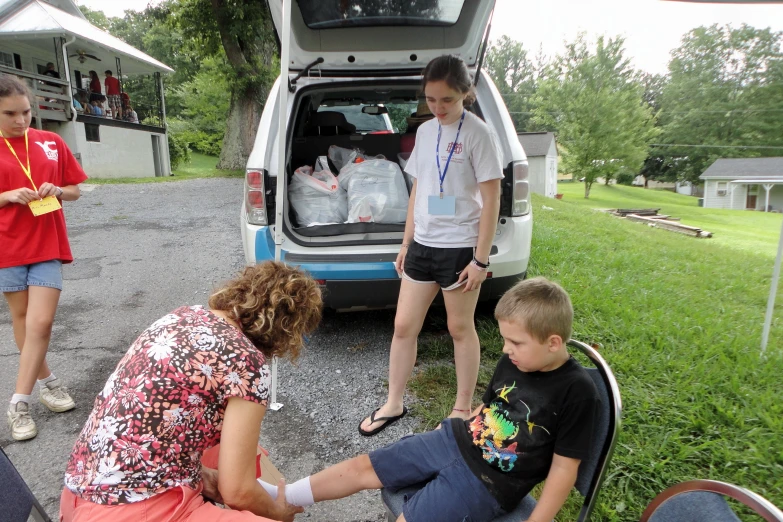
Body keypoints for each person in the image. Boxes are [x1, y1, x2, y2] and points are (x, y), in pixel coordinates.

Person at [247, 277, 600, 522]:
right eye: (505, 340)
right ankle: (285, 496)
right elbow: (489, 407)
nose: (506, 350)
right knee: (363, 467)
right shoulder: (515, 360)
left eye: (516, 343)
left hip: (490, 483)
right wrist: (457, 424)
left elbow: (564, 469)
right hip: (455, 441)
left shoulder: (578, 391)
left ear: (553, 342)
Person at [60, 262, 322, 522]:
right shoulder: (248, 363)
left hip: (81, 491)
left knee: (228, 450)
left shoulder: (182, 315)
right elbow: (238, 492)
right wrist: (278, 512)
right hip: (136, 509)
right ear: (288, 330)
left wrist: (202, 475)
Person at [359, 54, 503, 436]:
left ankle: (462, 407)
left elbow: (492, 200)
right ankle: (394, 402)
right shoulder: (425, 132)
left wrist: (480, 260)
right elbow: (419, 190)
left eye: (447, 100)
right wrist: (405, 242)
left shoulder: (478, 134)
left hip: (460, 249)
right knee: (403, 325)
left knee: (459, 329)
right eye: (432, 99)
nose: (438, 108)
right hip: (422, 245)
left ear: (466, 94)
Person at [0, 76, 88, 441]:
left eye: (26, 112)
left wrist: (59, 190)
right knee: (23, 320)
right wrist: (6, 195)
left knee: (41, 322)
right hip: (7, 247)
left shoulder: (51, 142)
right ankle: (48, 382)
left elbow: (75, 190)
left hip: (47, 244)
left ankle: (18, 402)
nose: (21, 121)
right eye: (10, 114)